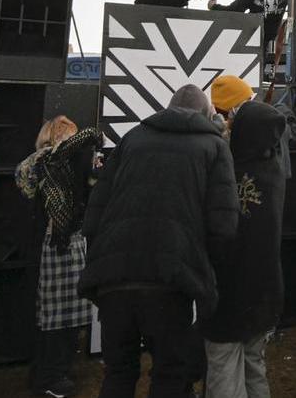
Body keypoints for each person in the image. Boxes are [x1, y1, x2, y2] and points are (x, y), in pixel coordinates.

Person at [80, 84, 238, 398]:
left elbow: (95, 212)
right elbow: (223, 224)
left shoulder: (133, 139)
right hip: (170, 281)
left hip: (115, 278)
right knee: (169, 375)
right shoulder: (213, 146)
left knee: (118, 373)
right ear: (206, 113)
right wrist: (209, 279)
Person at [202, 101, 289, 398]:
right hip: (264, 289)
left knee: (224, 364)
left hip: (228, 288)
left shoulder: (225, 170)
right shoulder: (275, 173)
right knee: (254, 364)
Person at [16, 116, 101, 397]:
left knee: (56, 316)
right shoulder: (51, 164)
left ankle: (50, 374)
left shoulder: (37, 165)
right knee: (58, 316)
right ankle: (51, 376)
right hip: (59, 245)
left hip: (57, 243)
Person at [210, 0, 291, 68]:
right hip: (267, 37)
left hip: (249, 34)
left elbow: (234, 10)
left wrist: (214, 7)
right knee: (258, 69)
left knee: (243, 67)